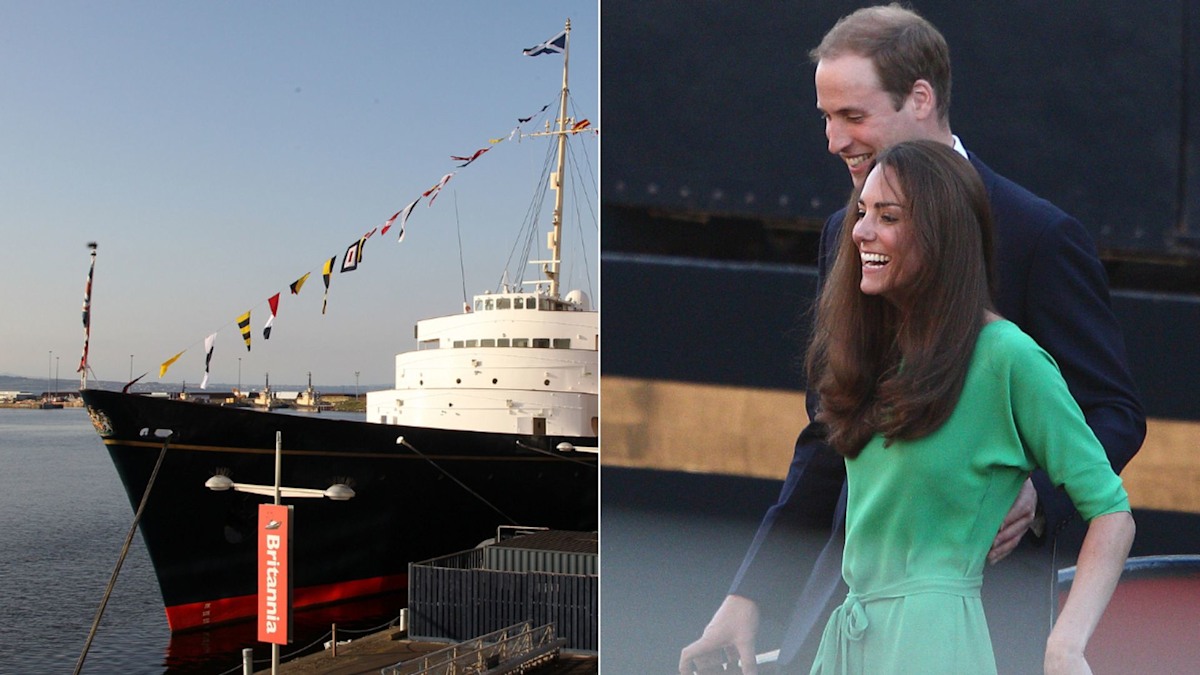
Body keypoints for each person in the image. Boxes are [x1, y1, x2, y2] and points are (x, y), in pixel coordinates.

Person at [679, 5, 1145, 674]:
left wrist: (1037, 494)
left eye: (853, 115)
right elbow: (829, 433)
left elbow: (1113, 412)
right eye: (826, 117)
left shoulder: (1039, 236)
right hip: (849, 610)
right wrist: (751, 593)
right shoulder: (846, 232)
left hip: (981, 611)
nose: (834, 140)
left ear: (920, 99)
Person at [810, 139, 1132, 673]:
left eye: (887, 216)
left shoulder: (1007, 356)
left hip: (935, 645)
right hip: (852, 641)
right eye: (861, 212)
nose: (861, 231)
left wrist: (1066, 645)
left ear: (941, 234)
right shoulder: (878, 348)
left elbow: (1111, 512)